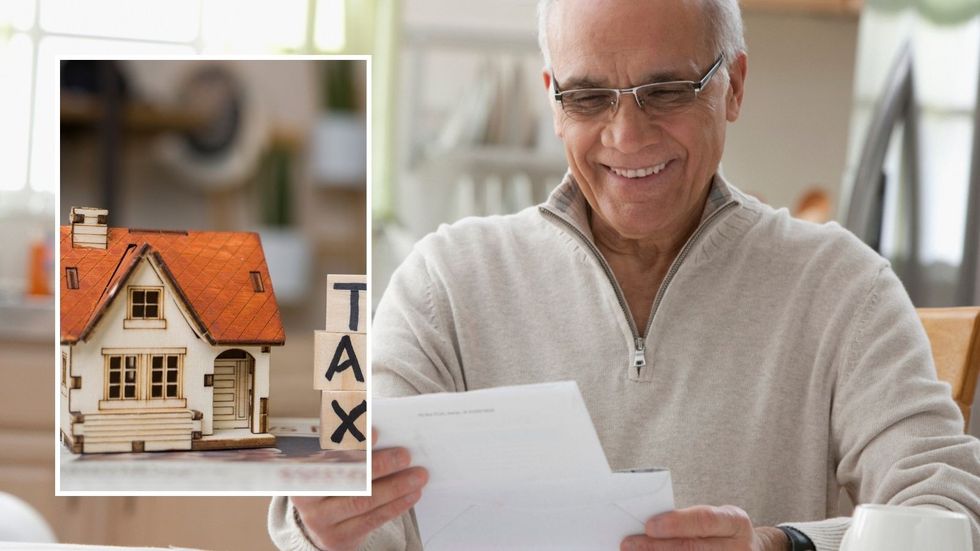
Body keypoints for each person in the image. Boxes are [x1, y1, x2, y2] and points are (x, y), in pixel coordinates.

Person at [270, 0, 980, 549]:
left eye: (666, 90)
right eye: (588, 97)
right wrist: (323, 523)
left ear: (732, 86)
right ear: (552, 99)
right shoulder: (445, 283)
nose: (626, 136)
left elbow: (949, 514)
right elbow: (359, 509)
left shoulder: (843, 288)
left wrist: (780, 543)